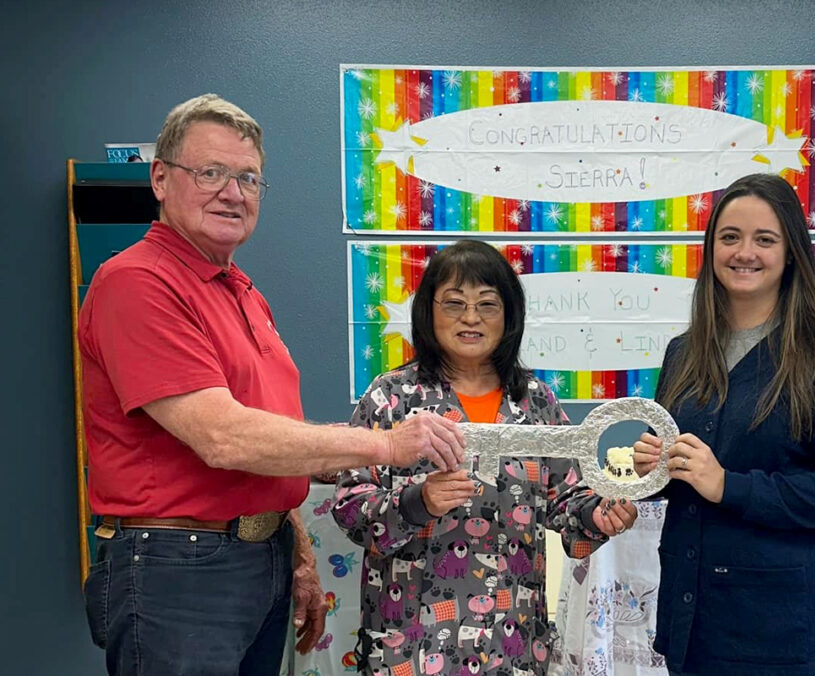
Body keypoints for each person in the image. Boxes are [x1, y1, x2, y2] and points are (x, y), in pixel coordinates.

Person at [78, 93, 465, 676]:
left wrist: (296, 549)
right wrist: (387, 445)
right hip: (177, 572)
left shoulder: (243, 292)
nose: (232, 193)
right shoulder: (138, 283)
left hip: (257, 558)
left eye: (249, 179)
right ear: (159, 178)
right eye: (210, 173)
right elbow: (224, 439)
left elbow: (268, 445)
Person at [332, 239, 638, 675]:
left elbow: (568, 501)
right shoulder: (390, 399)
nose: (471, 318)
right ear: (427, 312)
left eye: (487, 304)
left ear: (509, 314)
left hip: (512, 640)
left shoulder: (535, 403)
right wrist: (418, 502)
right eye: (454, 303)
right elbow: (349, 507)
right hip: (411, 645)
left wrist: (601, 513)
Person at [632, 173, 815, 676]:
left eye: (764, 239)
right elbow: (687, 481)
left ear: (791, 253)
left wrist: (729, 485)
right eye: (730, 237)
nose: (744, 252)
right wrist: (655, 471)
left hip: (785, 637)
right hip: (693, 626)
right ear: (711, 248)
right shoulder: (683, 353)